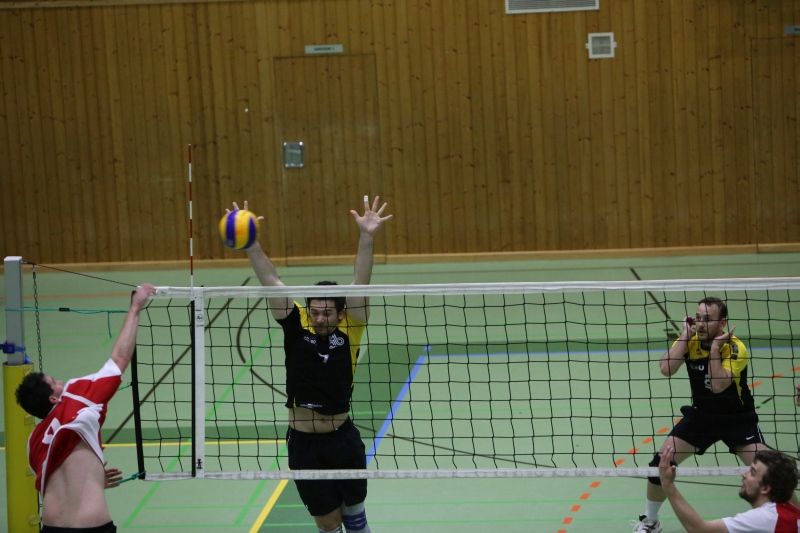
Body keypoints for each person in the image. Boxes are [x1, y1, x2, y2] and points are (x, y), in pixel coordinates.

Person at [230, 197, 392, 533]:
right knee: (328, 524)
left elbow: (360, 281)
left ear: (341, 313)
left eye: (327, 313)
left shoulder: (352, 327)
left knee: (355, 516)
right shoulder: (296, 322)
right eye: (315, 311)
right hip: (304, 444)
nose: (319, 318)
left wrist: (367, 236)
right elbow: (271, 280)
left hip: (342, 439)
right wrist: (251, 242)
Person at [15, 283, 157, 533]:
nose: (61, 382)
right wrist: (135, 307)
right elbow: (120, 358)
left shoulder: (33, 442)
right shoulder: (76, 397)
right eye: (55, 382)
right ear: (53, 399)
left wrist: (92, 479)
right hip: (92, 528)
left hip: (51, 528)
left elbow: (57, 479)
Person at [633, 296, 768, 533]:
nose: (701, 323)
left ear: (722, 323)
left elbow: (717, 385)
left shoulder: (735, 348)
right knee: (659, 465)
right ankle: (650, 521)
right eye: (698, 318)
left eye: (707, 319)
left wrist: (714, 348)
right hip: (702, 417)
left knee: (771, 474)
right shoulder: (691, 340)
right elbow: (666, 368)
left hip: (738, 420)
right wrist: (685, 336)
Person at [658, 445, 800, 532]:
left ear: (765, 488)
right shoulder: (788, 511)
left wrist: (667, 484)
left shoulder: (764, 518)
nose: (744, 474)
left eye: (752, 472)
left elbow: (700, 529)